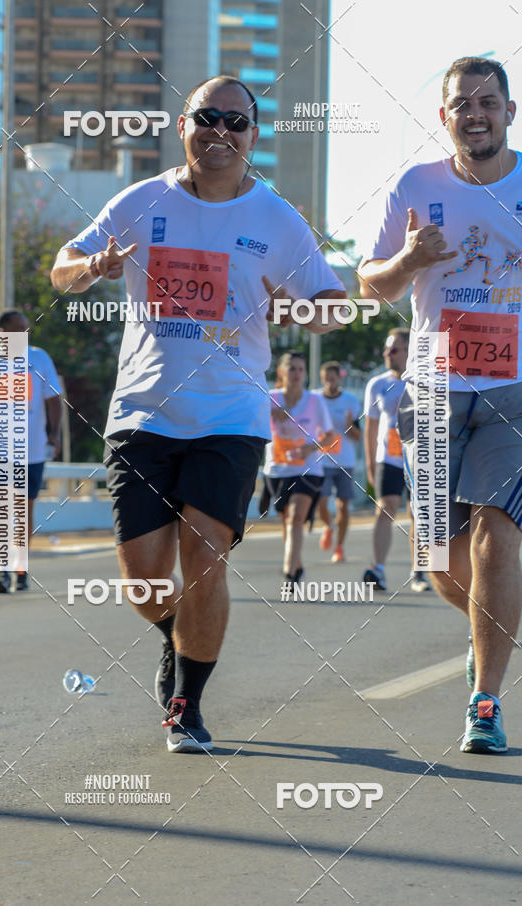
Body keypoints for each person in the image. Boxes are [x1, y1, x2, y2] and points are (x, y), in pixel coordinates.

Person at [50, 75, 346, 753]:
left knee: (206, 554)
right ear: (183, 124)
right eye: (207, 117)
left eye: (235, 123)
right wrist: (89, 267)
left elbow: (332, 306)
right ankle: (177, 637)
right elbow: (61, 266)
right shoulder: (140, 200)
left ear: (253, 137)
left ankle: (187, 703)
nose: (220, 132)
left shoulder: (275, 217)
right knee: (147, 582)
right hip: (142, 416)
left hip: (231, 418)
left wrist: (296, 307)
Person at [358, 56, 522, 753]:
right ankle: (492, 625)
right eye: (462, 103)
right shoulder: (414, 186)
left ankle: (484, 700)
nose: (475, 113)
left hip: (514, 390)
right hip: (432, 388)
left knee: (497, 536)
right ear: (444, 116)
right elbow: (373, 284)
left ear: (510, 112)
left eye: (488, 102)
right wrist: (411, 261)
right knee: (439, 562)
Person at [0, 309, 62, 593]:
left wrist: (53, 434)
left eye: (26, 329)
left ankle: (21, 567)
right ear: (1, 334)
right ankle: (1, 570)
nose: (24, 334)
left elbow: (55, 400)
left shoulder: (39, 358)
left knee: (24, 509)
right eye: (17, 329)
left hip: (32, 450)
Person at [362, 329, 429, 593]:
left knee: (418, 513)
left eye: (394, 350)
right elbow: (370, 427)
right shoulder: (377, 384)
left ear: (409, 351)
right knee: (385, 508)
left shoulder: (424, 380)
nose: (387, 354)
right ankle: (378, 569)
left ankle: (420, 571)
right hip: (387, 458)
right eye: (386, 349)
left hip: (420, 457)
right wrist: (370, 463)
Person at [263, 351, 334, 589]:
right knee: (286, 521)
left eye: (300, 369)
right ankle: (298, 565)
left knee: (295, 518)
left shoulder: (315, 401)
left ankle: (289, 573)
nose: (296, 373)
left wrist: (310, 448)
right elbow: (249, 420)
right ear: (282, 372)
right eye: (291, 368)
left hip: (309, 469)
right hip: (277, 470)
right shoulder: (270, 398)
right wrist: (270, 413)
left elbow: (331, 435)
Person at [314, 361, 362, 563]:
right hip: (321, 460)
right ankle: (328, 526)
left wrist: (350, 425)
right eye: (325, 379)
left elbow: (357, 436)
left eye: (332, 379)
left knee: (343, 506)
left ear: (339, 379)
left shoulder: (351, 401)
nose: (329, 383)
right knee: (320, 502)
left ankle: (340, 547)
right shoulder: (314, 399)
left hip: (345, 461)